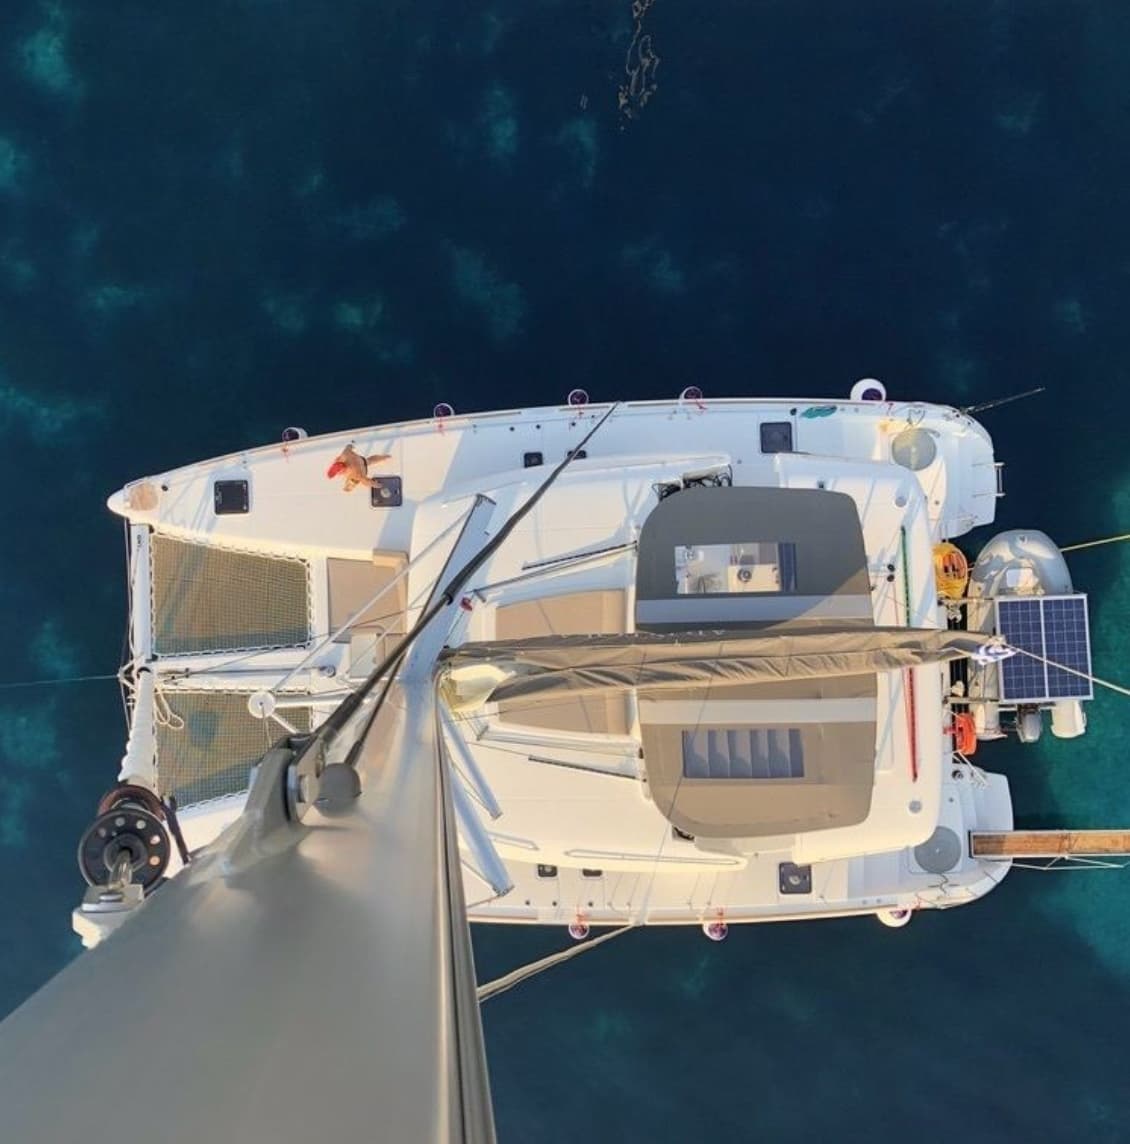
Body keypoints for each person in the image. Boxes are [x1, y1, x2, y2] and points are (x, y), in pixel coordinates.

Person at [326, 443, 391, 492]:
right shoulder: (345, 454)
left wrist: (378, 485)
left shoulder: (354, 473)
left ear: (343, 470)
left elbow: (366, 481)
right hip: (361, 460)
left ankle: (349, 487)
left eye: (340, 473)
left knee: (353, 481)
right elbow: (349, 446)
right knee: (369, 460)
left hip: (362, 469)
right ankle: (385, 457)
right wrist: (352, 445)